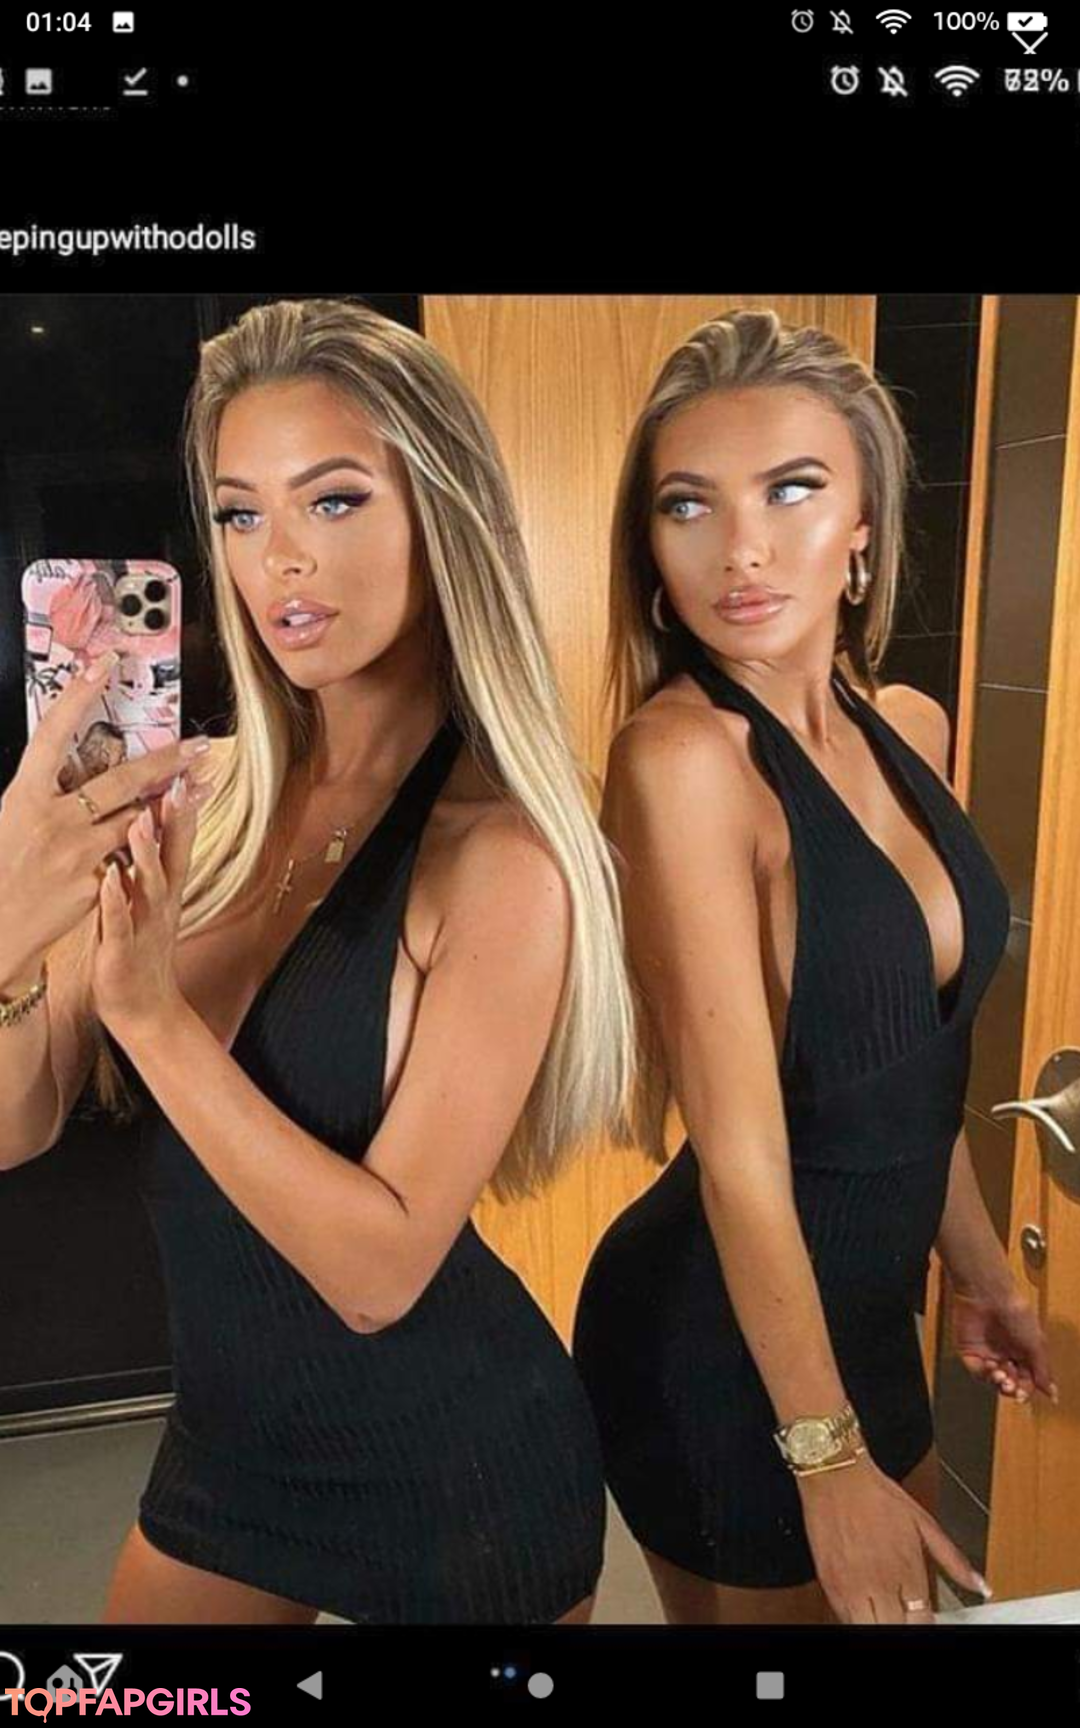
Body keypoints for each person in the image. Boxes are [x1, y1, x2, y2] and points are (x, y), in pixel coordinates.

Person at [0, 297, 635, 1626]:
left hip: (459, 1474)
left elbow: (378, 1274)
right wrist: (7, 924)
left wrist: (152, 1019)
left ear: (442, 514)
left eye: (334, 500)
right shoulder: (199, 795)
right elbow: (15, 1125)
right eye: (240, 515)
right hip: (228, 1453)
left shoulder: (501, 852)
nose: (280, 558)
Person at [571, 307, 1057, 1627]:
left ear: (863, 527)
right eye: (688, 504)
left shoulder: (904, 724)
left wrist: (983, 1272)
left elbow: (909, 1069)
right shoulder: (684, 762)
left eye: (791, 489)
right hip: (721, 1345)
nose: (741, 548)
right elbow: (740, 1149)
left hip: (866, 1328)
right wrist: (827, 1457)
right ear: (649, 546)